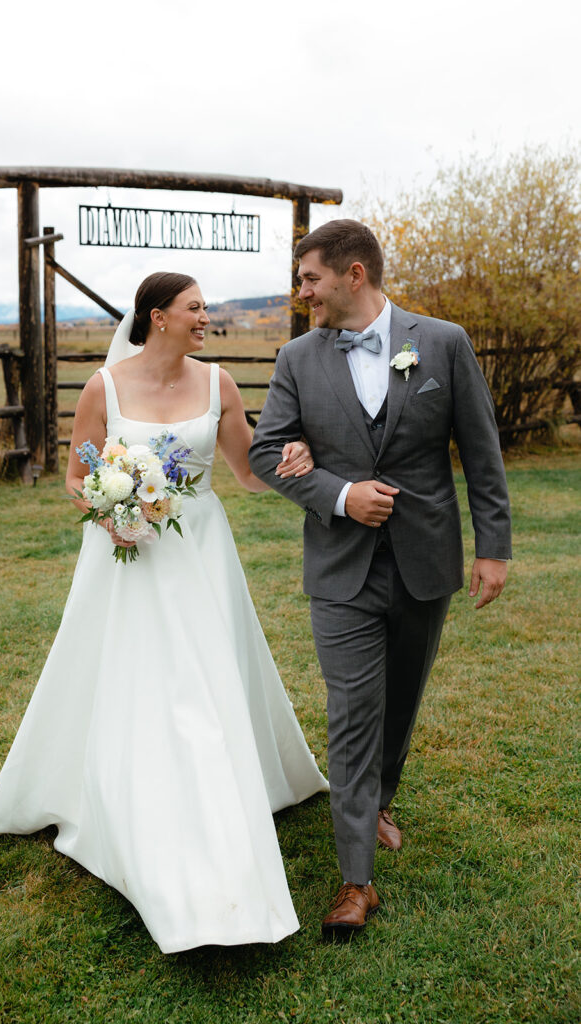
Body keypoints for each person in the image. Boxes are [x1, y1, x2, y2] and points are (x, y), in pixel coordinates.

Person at [0, 272, 328, 954]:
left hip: (198, 550)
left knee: (200, 678)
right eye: (196, 308)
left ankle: (211, 806)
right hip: (126, 555)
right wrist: (108, 507)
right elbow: (77, 478)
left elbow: (247, 472)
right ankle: (133, 802)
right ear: (157, 316)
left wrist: (294, 461)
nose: (206, 317)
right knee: (140, 677)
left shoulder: (218, 384)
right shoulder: (104, 388)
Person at [248, 220, 512, 940]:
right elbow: (267, 452)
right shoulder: (297, 358)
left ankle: (381, 796)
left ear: (352, 274)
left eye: (309, 278)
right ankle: (354, 882)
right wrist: (338, 494)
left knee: (401, 697)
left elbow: (480, 450)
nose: (301, 292)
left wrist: (494, 547)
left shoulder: (442, 343)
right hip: (340, 567)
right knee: (352, 710)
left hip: (425, 558)